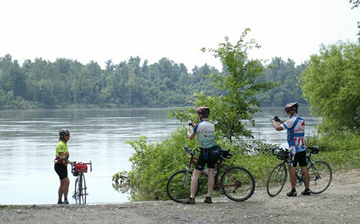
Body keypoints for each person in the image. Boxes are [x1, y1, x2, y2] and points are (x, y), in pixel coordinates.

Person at [271, 102, 311, 196]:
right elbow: (290, 124)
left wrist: (273, 121)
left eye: (288, 112)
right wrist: (280, 120)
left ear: (291, 111)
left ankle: (293, 190)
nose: (287, 114)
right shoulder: (301, 120)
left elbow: (277, 128)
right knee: (304, 168)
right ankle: (307, 189)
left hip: (294, 149)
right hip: (302, 147)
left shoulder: (291, 121)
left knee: (291, 168)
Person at [183, 107, 219, 204]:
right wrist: (195, 126)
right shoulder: (212, 125)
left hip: (204, 152)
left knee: (195, 174)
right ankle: (208, 197)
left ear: (201, 115)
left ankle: (192, 198)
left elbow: (191, 137)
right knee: (211, 173)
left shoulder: (198, 125)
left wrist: (188, 130)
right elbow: (203, 130)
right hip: (213, 151)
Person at [54, 129, 72, 204]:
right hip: (59, 166)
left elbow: (64, 158)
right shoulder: (61, 145)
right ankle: (65, 199)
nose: (68, 137)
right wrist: (66, 158)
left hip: (63, 166)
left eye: (69, 135)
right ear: (62, 136)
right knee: (67, 181)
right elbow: (61, 157)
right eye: (67, 135)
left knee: (62, 183)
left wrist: (69, 162)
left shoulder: (64, 144)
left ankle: (59, 200)